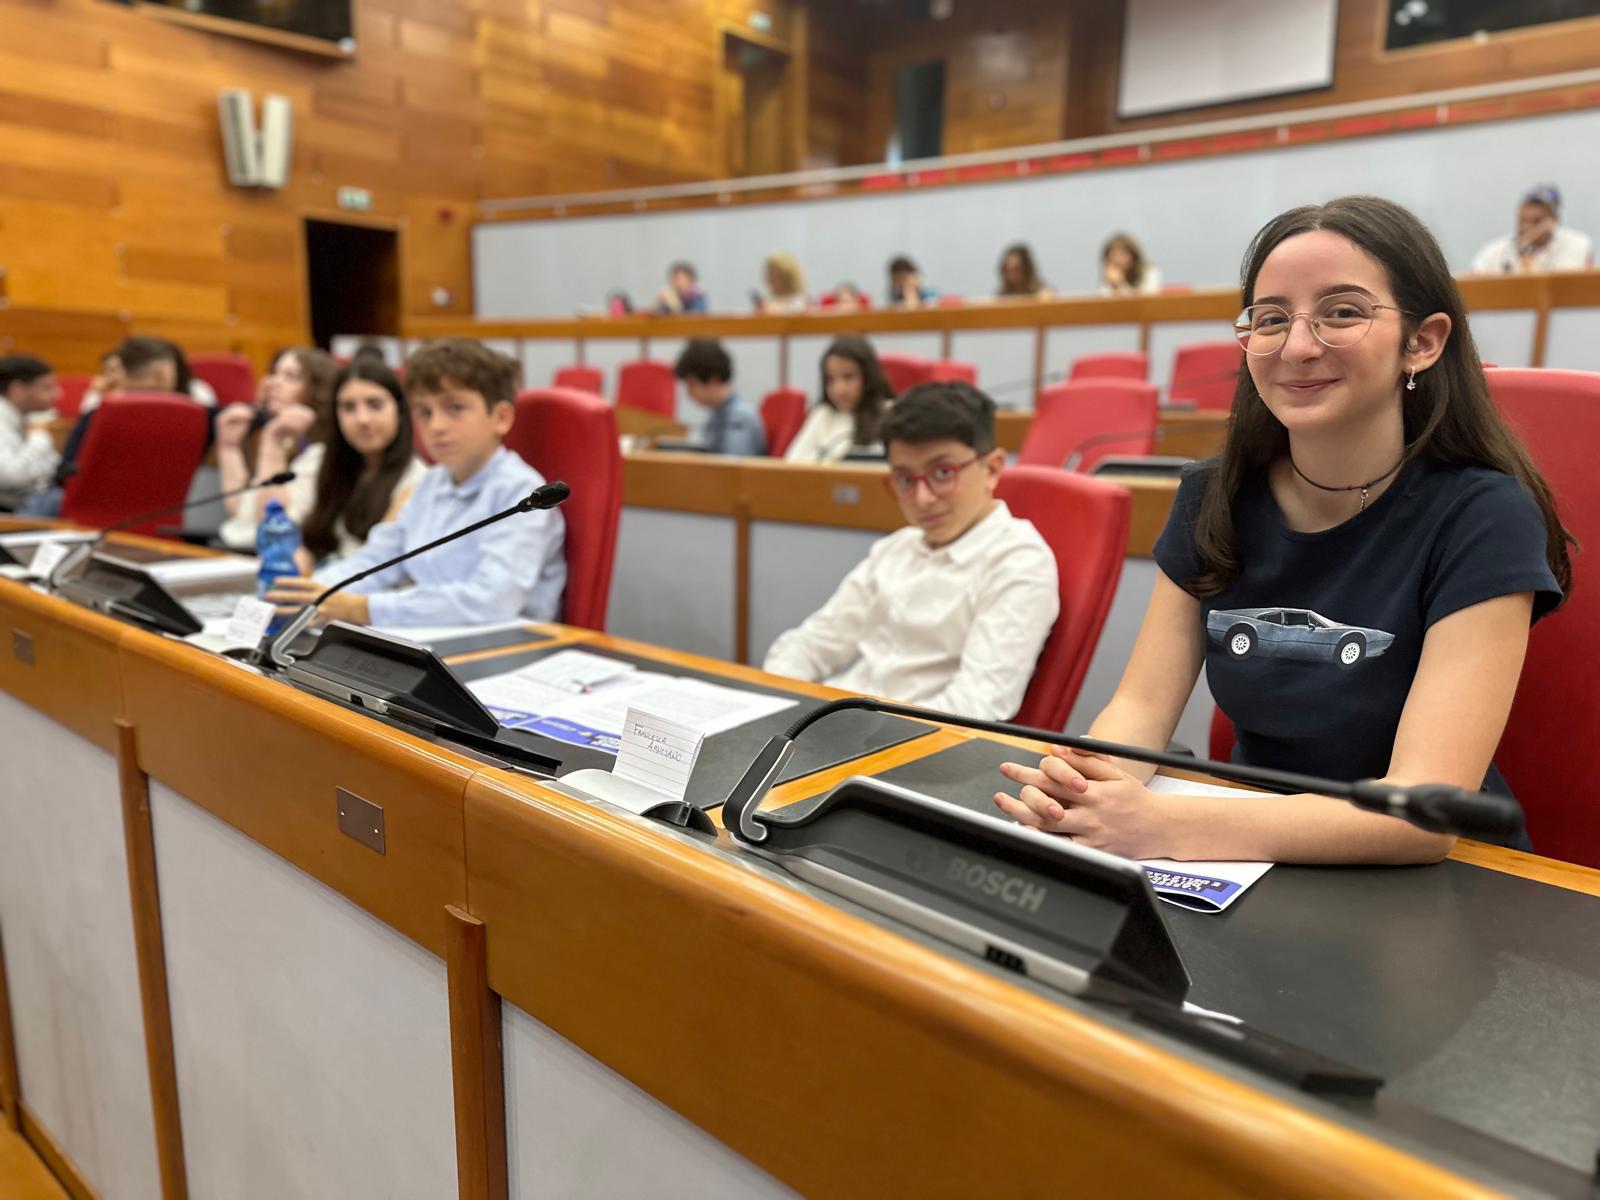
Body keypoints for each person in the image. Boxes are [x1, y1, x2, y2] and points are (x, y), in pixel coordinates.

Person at [995, 195, 1570, 865]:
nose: (1297, 346)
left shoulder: (1485, 515)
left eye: (1342, 312)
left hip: (1436, 882)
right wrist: (1081, 795)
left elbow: (1422, 813)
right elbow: (1141, 707)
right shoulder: (1213, 496)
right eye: (1270, 319)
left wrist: (1159, 825)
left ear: (1422, 342)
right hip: (1245, 849)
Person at [764, 381, 1059, 720]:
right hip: (840, 722)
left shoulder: (1019, 562)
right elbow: (812, 643)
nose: (922, 499)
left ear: (991, 469)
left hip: (913, 741)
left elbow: (975, 708)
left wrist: (849, 728)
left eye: (942, 473)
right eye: (905, 479)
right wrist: (779, 703)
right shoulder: (896, 548)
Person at [267, 338, 567, 627]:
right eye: (424, 412)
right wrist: (312, 592)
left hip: (514, 640)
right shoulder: (430, 484)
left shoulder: (522, 494)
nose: (436, 426)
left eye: (454, 408)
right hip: (437, 633)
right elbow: (377, 559)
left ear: (501, 417)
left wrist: (362, 608)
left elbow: (492, 599)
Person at [27, 337, 201, 517]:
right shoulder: (199, 415)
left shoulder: (96, 414)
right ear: (162, 373)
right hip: (166, 516)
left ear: (123, 371)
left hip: (87, 516)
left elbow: (66, 472)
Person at [295, 359, 430, 571]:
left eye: (375, 405)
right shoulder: (320, 460)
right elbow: (295, 532)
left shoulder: (418, 480)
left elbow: (379, 565)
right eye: (348, 407)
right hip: (320, 580)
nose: (362, 419)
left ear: (400, 411)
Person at [214, 348, 338, 552]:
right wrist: (229, 447)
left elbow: (272, 522)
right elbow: (242, 512)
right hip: (239, 550)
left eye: (291, 377)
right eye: (275, 373)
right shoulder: (287, 441)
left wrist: (272, 441)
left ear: (319, 390)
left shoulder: (323, 453)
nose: (273, 383)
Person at [785, 335, 895, 463]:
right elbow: (792, 464)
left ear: (869, 377)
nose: (839, 389)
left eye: (848, 377)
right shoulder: (822, 415)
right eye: (830, 379)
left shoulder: (892, 414)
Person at [1470, 184, 1594, 275]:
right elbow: (1474, 279)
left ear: (1554, 221)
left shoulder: (1576, 244)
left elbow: (1564, 286)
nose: (1526, 227)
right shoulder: (1496, 250)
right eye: (1522, 220)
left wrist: (1527, 258)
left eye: (1536, 221)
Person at [674, 339, 766, 456]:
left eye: (691, 385)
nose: (688, 393)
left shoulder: (739, 418)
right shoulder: (718, 413)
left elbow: (731, 465)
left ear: (714, 380)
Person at [0, 355, 62, 512]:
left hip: (23, 501)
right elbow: (13, 477)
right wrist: (39, 435)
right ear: (18, 389)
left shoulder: (26, 418)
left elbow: (52, 468)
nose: (57, 394)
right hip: (8, 511)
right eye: (47, 388)